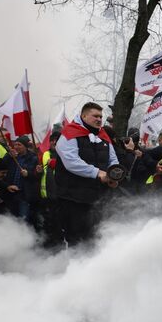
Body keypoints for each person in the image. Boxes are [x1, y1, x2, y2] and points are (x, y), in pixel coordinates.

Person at [55, 102, 119, 247]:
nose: (99, 119)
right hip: (73, 198)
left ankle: (95, 268)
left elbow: (113, 160)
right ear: (83, 115)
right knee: (76, 240)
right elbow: (71, 162)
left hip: (98, 198)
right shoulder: (69, 134)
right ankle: (76, 268)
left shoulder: (103, 136)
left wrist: (114, 176)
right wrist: (97, 173)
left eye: (101, 116)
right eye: (95, 116)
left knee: (97, 237)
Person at [5, 135, 39, 224]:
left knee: (23, 221)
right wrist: (8, 156)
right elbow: (2, 166)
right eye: (15, 144)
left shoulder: (34, 158)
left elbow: (38, 175)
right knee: (11, 220)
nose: (16, 147)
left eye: (19, 145)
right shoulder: (13, 157)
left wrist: (28, 174)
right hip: (11, 193)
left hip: (24, 195)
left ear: (25, 146)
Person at [38, 131, 61, 248]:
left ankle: (58, 244)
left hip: (60, 195)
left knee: (59, 222)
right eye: (52, 140)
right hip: (46, 195)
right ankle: (48, 244)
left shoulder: (65, 154)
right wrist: (37, 171)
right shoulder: (45, 154)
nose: (53, 142)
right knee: (47, 221)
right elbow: (39, 172)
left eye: (56, 140)